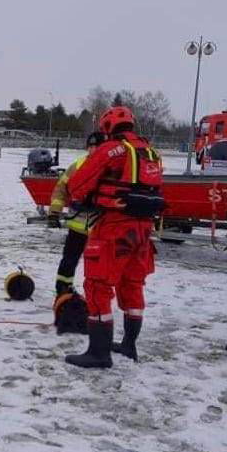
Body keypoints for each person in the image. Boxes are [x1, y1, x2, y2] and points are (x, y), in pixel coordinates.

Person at [64, 106, 163, 368]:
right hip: (142, 232)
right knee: (132, 285)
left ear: (107, 127)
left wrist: (83, 199)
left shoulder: (111, 150)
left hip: (114, 227)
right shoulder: (150, 152)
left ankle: (99, 353)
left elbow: (77, 184)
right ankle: (129, 345)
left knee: (97, 286)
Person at [48, 132, 106, 297]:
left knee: (98, 265)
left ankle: (97, 296)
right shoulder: (77, 166)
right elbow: (61, 189)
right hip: (78, 225)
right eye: (91, 146)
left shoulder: (112, 168)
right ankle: (63, 289)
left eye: (98, 146)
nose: (93, 149)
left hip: (101, 228)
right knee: (69, 260)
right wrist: (54, 212)